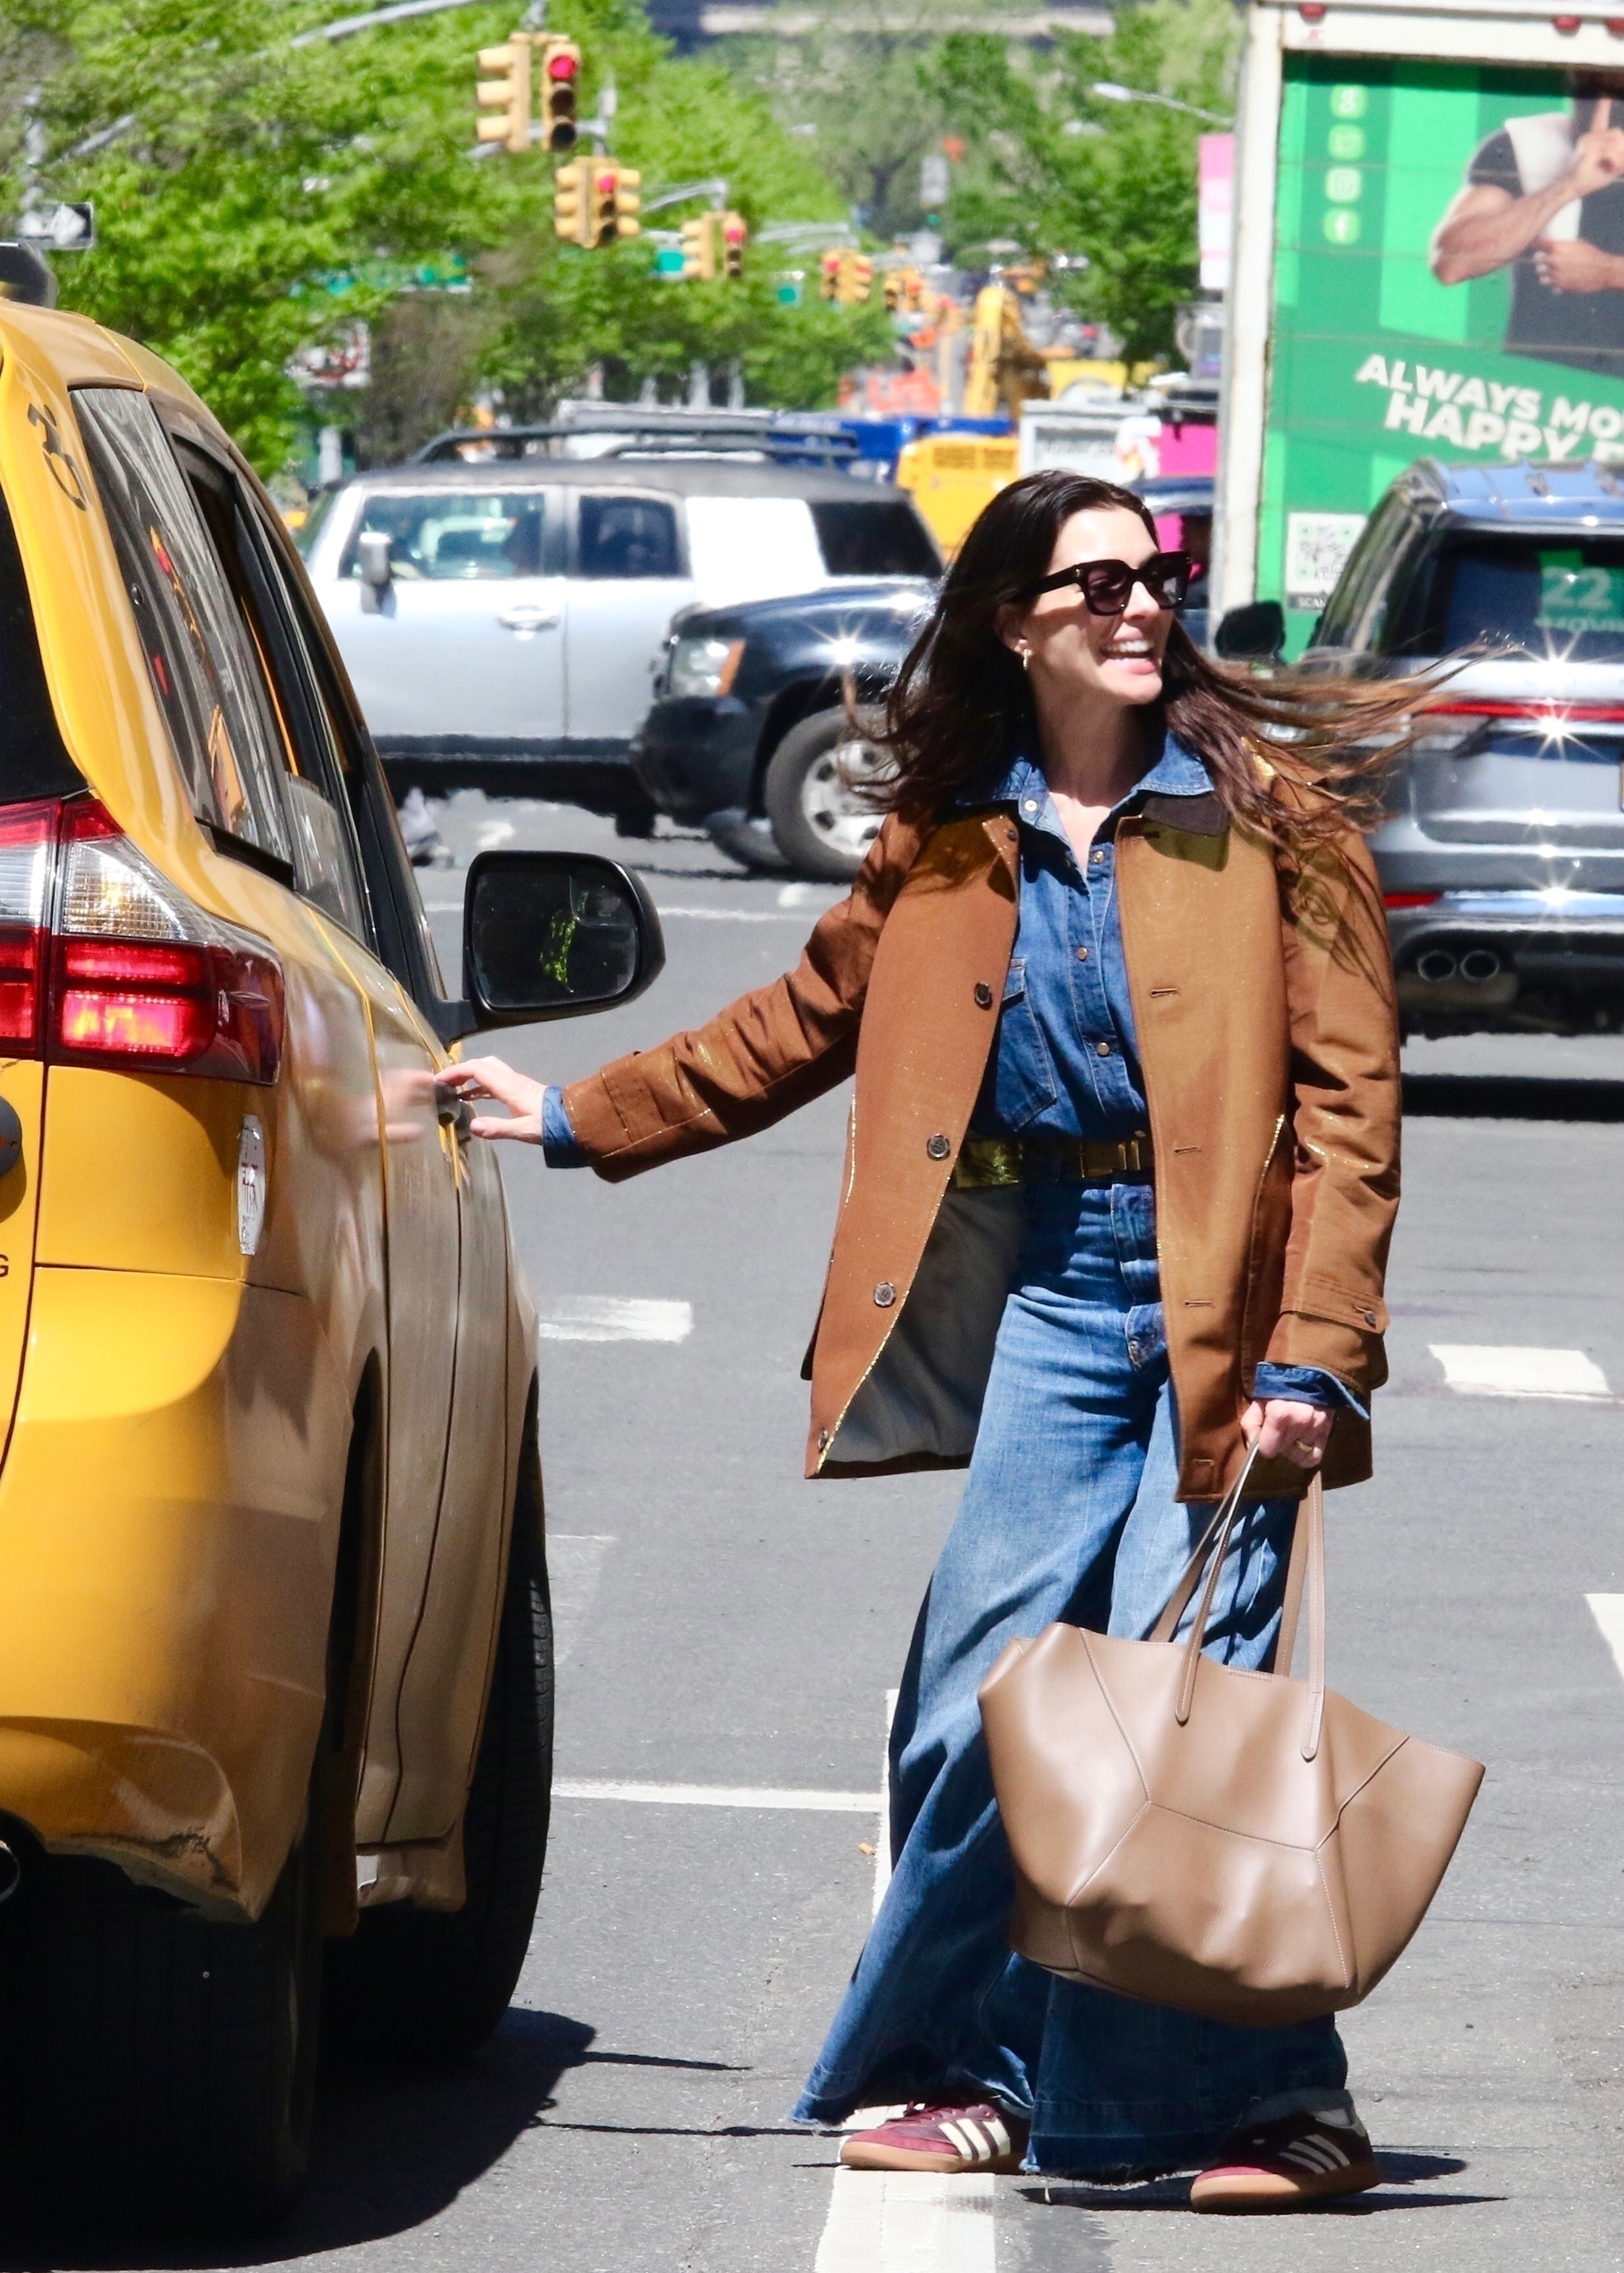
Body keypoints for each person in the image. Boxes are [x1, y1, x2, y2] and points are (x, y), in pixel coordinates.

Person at [448, 472, 1414, 2215]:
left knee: (1171, 1704)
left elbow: (1351, 1110)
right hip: (1055, 1283)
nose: (1142, 605)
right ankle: (969, 2069)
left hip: (1225, 1300)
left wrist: (1310, 1354)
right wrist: (576, 1110)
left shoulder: (1269, 814)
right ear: (1011, 620)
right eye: (1099, 580)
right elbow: (795, 1023)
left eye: (1158, 574)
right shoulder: (950, 837)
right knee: (980, 1705)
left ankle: (1275, 2101)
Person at [1432, 86, 1624, 377]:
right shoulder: (1528, 143)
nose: (1603, 99)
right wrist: (1567, 185)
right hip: (1539, 395)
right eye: (1591, 76)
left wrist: (1608, 272)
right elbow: (1452, 263)